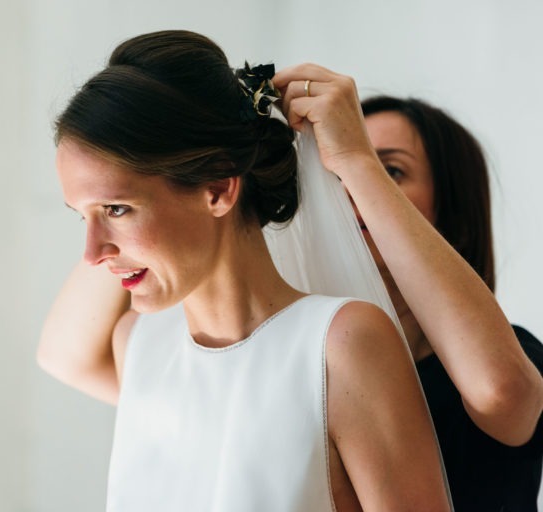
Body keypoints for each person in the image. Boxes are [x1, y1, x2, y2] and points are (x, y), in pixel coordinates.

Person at [39, 30, 450, 511]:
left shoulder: (341, 345)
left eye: (116, 209)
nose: (91, 254)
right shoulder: (138, 344)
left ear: (217, 188)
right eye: (81, 214)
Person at [354, 94, 543, 511]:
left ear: (452, 215)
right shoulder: (311, 360)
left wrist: (354, 157)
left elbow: (501, 393)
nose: (353, 189)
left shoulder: (515, 358)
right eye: (335, 174)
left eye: (389, 171)